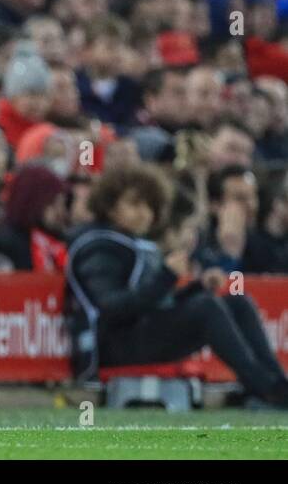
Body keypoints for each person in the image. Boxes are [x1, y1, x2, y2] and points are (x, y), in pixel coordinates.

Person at [65, 163, 288, 406]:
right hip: (111, 346)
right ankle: (264, 388)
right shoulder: (100, 247)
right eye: (134, 204)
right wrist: (167, 276)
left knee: (237, 302)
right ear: (109, 206)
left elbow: (158, 303)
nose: (144, 213)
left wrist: (198, 286)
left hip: (137, 333)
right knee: (205, 309)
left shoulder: (135, 244)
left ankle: (277, 382)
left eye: (149, 206)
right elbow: (112, 308)